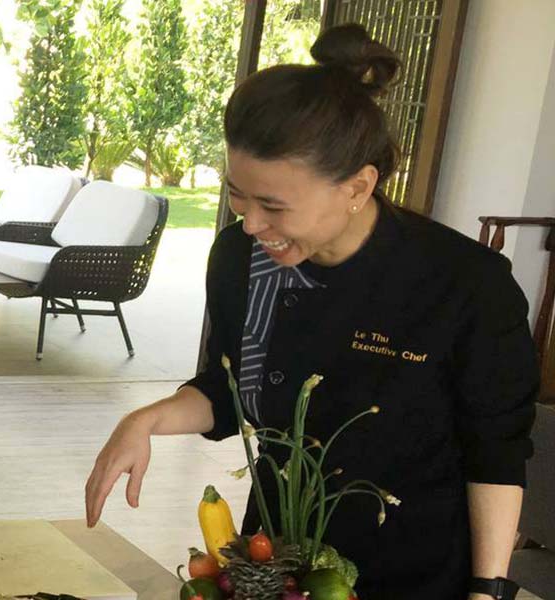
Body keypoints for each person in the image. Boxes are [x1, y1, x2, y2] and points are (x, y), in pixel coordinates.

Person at [83, 25, 536, 599]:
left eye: (273, 205)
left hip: (414, 573)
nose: (249, 223)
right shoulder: (242, 259)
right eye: (237, 195)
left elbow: (495, 453)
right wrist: (144, 418)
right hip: (275, 564)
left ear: (358, 186)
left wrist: (487, 588)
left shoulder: (464, 283)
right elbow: (226, 390)